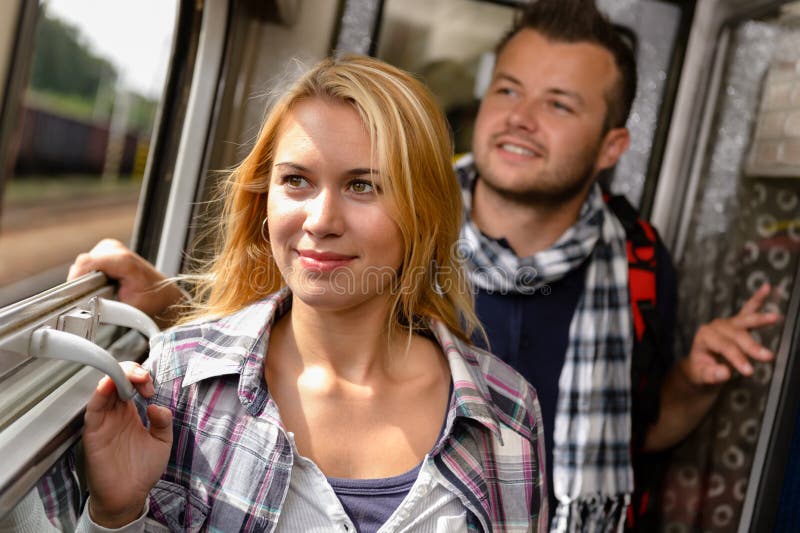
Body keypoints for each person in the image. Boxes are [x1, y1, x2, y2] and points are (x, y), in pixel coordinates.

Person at [68, 1, 779, 530]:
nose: (522, 116)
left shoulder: (636, 270)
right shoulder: (192, 375)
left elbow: (636, 426)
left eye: (558, 103)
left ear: (611, 145)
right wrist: (162, 306)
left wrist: (690, 381)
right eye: (508, 88)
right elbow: (271, 307)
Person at [57, 55, 548, 532]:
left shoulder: (507, 416)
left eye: (362, 186)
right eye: (296, 181)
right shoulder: (180, 381)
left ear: (423, 213)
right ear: (264, 200)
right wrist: (117, 516)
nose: (321, 221)